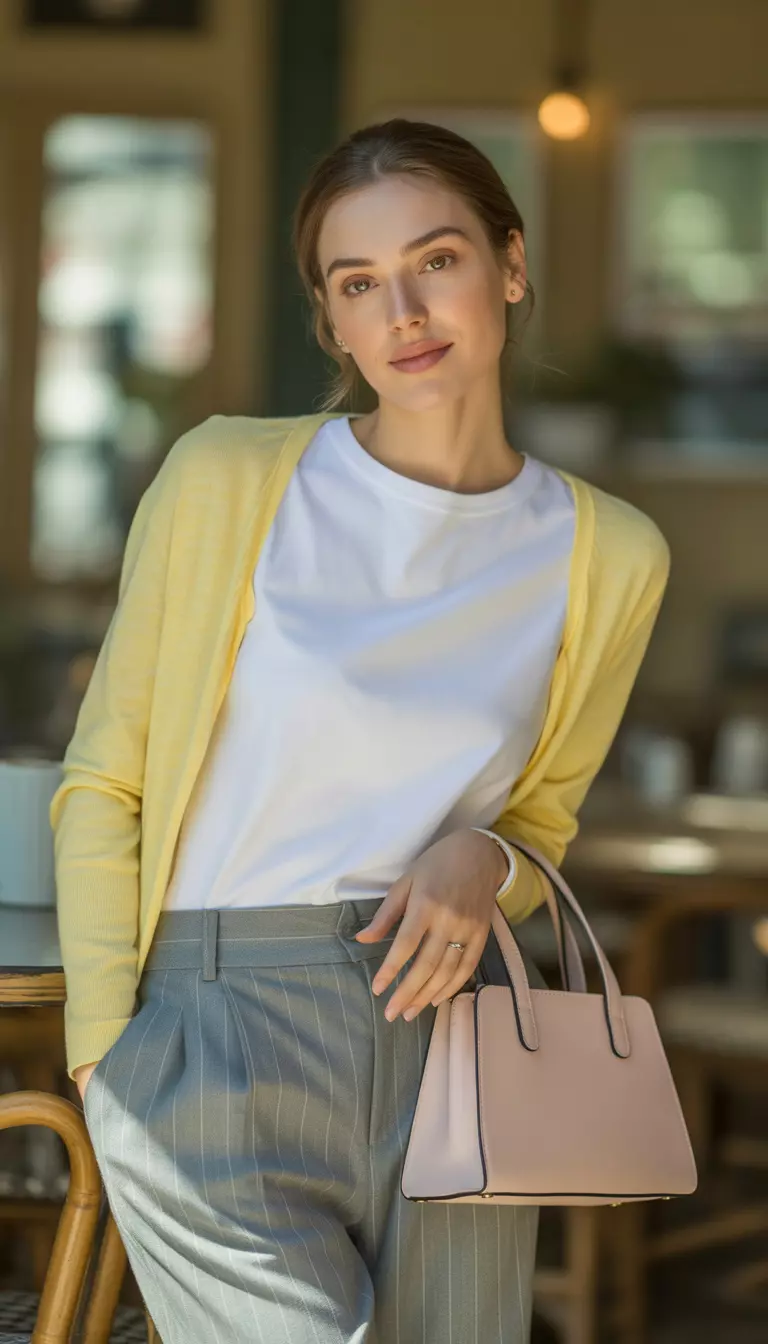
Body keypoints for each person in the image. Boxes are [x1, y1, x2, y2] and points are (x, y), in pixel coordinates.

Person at [51, 118, 670, 1343]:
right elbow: (104, 779)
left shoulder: (610, 554)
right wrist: (105, 1057)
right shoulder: (225, 481)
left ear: (510, 263)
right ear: (331, 323)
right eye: (357, 283)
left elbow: (541, 819)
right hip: (213, 1023)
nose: (404, 308)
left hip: (460, 1032)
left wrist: (480, 857)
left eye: (435, 260)